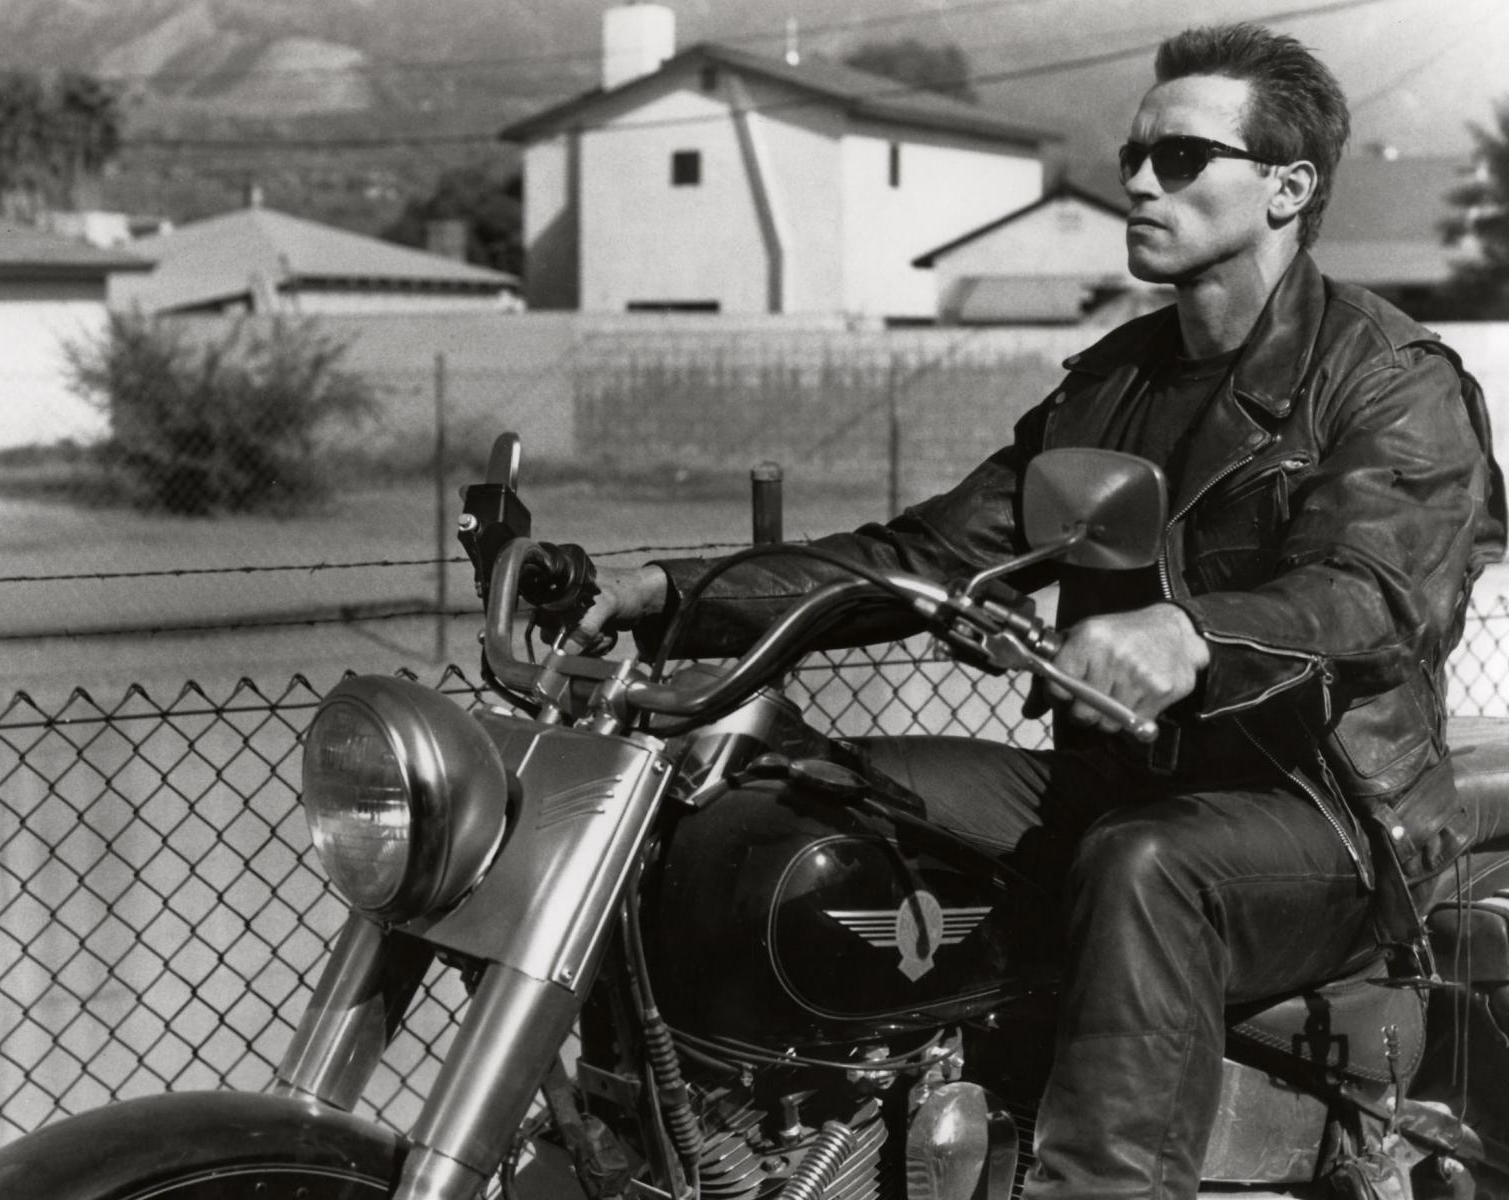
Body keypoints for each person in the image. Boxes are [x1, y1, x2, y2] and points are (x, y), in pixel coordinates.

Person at [567, 23, 1505, 1200]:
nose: (1140, 181)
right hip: (1117, 778)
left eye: (1180, 158)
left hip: (1324, 813)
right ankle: (735, 1134)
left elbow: (1372, 592)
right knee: (799, 795)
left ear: (1287, 187)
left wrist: (1190, 635)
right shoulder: (1114, 383)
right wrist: (666, 596)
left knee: (1149, 864)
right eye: (1133, 156)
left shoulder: (1389, 378)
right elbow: (925, 554)